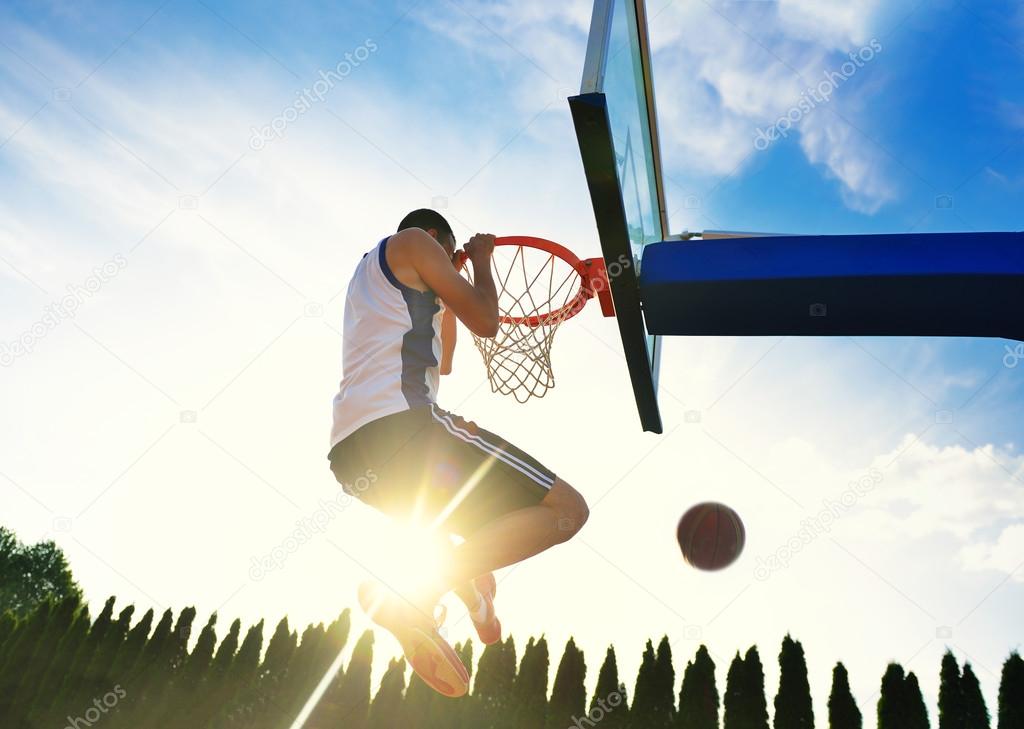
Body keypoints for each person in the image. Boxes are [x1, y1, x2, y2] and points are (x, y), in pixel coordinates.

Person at [327, 209, 589, 697]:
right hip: (404, 430)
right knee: (567, 511)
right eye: (448, 256)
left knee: (485, 528)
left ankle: (475, 594)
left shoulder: (369, 277)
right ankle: (419, 594)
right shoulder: (412, 241)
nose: (449, 263)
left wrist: (450, 288)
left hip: (349, 456)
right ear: (435, 240)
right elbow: (487, 323)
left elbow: (444, 361)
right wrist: (483, 263)